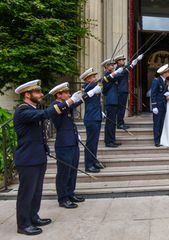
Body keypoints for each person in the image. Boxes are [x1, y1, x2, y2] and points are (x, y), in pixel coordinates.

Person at [13, 80, 82, 235]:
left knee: (36, 191)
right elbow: (45, 114)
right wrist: (68, 102)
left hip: (37, 157)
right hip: (28, 159)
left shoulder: (32, 109)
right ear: (27, 94)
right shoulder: (23, 111)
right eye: (37, 92)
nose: (41, 94)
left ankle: (33, 216)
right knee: (27, 192)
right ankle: (23, 225)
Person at [49, 82, 101, 209]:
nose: (69, 94)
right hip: (63, 144)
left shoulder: (66, 105)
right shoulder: (55, 105)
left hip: (72, 142)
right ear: (59, 95)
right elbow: (64, 107)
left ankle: (70, 193)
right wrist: (73, 100)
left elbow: (75, 103)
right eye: (66, 93)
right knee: (63, 172)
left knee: (72, 171)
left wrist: (87, 95)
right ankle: (63, 198)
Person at [81, 67, 104, 173]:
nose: (95, 78)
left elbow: (96, 102)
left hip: (96, 116)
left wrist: (101, 112)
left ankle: (93, 161)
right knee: (91, 142)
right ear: (87, 79)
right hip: (91, 118)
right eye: (93, 77)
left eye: (95, 76)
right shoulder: (86, 88)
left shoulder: (93, 87)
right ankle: (88, 165)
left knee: (94, 142)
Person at [114, 54, 143, 129]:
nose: (124, 61)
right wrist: (134, 63)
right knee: (121, 108)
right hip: (121, 91)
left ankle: (121, 122)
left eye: (123, 60)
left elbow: (128, 67)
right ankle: (119, 124)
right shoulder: (118, 69)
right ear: (118, 62)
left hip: (123, 91)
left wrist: (136, 60)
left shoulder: (121, 68)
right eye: (122, 60)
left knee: (122, 108)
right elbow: (126, 69)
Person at [101, 58, 125, 148]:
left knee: (113, 123)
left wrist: (122, 68)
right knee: (110, 123)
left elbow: (121, 75)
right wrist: (115, 72)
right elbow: (106, 80)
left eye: (113, 65)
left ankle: (112, 139)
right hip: (111, 101)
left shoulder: (112, 75)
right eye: (111, 65)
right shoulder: (107, 75)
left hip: (114, 101)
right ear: (107, 66)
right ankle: (108, 141)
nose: (113, 66)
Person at [151, 64, 169, 147]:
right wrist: (154, 106)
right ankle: (156, 141)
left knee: (162, 123)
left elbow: (162, 92)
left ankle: (161, 139)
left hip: (163, 105)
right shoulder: (156, 81)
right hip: (158, 105)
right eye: (167, 72)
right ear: (163, 73)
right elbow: (153, 94)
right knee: (157, 123)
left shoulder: (165, 80)